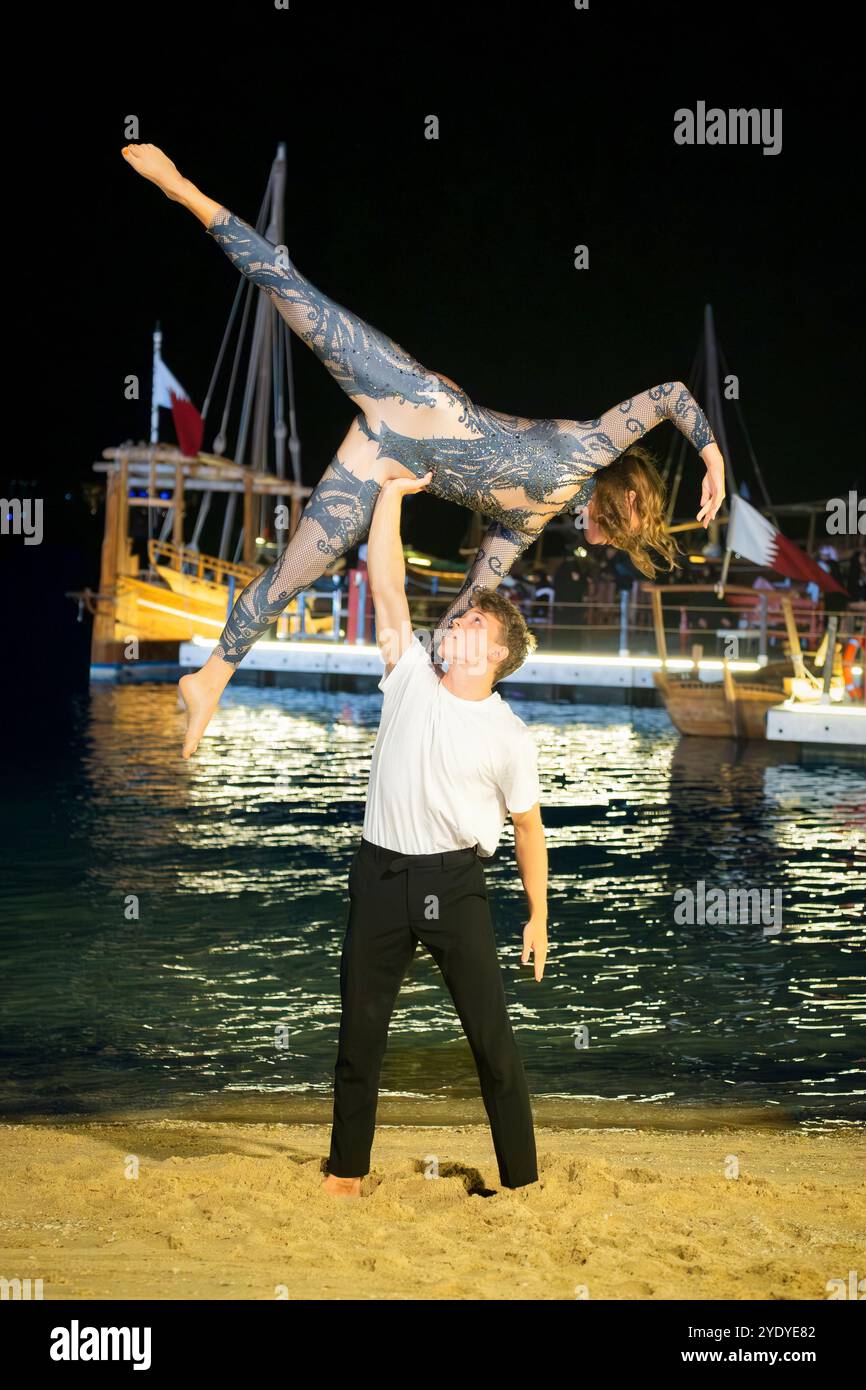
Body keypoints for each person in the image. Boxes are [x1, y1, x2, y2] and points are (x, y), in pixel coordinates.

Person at [121, 144, 726, 756]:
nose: (612, 546)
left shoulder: (529, 524)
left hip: (387, 458)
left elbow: (471, 596)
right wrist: (712, 458)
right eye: (621, 535)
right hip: (412, 396)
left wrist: (439, 679)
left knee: (290, 577)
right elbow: (673, 395)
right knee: (286, 284)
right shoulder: (591, 450)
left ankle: (210, 680)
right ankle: (183, 187)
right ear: (619, 504)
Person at [323, 471, 547, 1197]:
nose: (456, 624)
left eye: (473, 624)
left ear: (497, 655)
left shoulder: (510, 736)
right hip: (381, 874)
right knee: (361, 1033)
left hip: (456, 885)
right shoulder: (411, 675)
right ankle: (347, 1171)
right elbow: (386, 581)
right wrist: (390, 496)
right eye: (458, 620)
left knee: (492, 1041)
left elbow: (527, 827)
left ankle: (521, 1181)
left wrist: (539, 913)